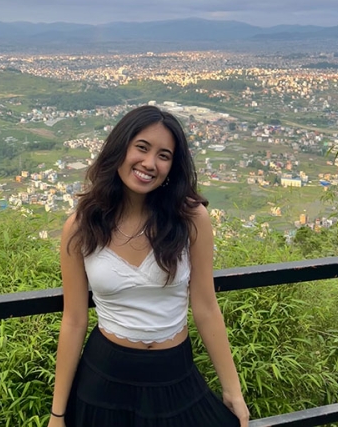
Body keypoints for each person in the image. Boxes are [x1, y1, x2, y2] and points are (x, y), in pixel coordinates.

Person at [48, 105, 249, 427]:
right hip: (103, 376)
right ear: (120, 148)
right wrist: (57, 414)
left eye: (164, 155)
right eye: (142, 148)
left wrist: (233, 391)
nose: (149, 163)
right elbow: (73, 320)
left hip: (173, 373)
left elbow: (206, 307)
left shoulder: (190, 218)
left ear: (173, 166)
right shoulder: (82, 225)